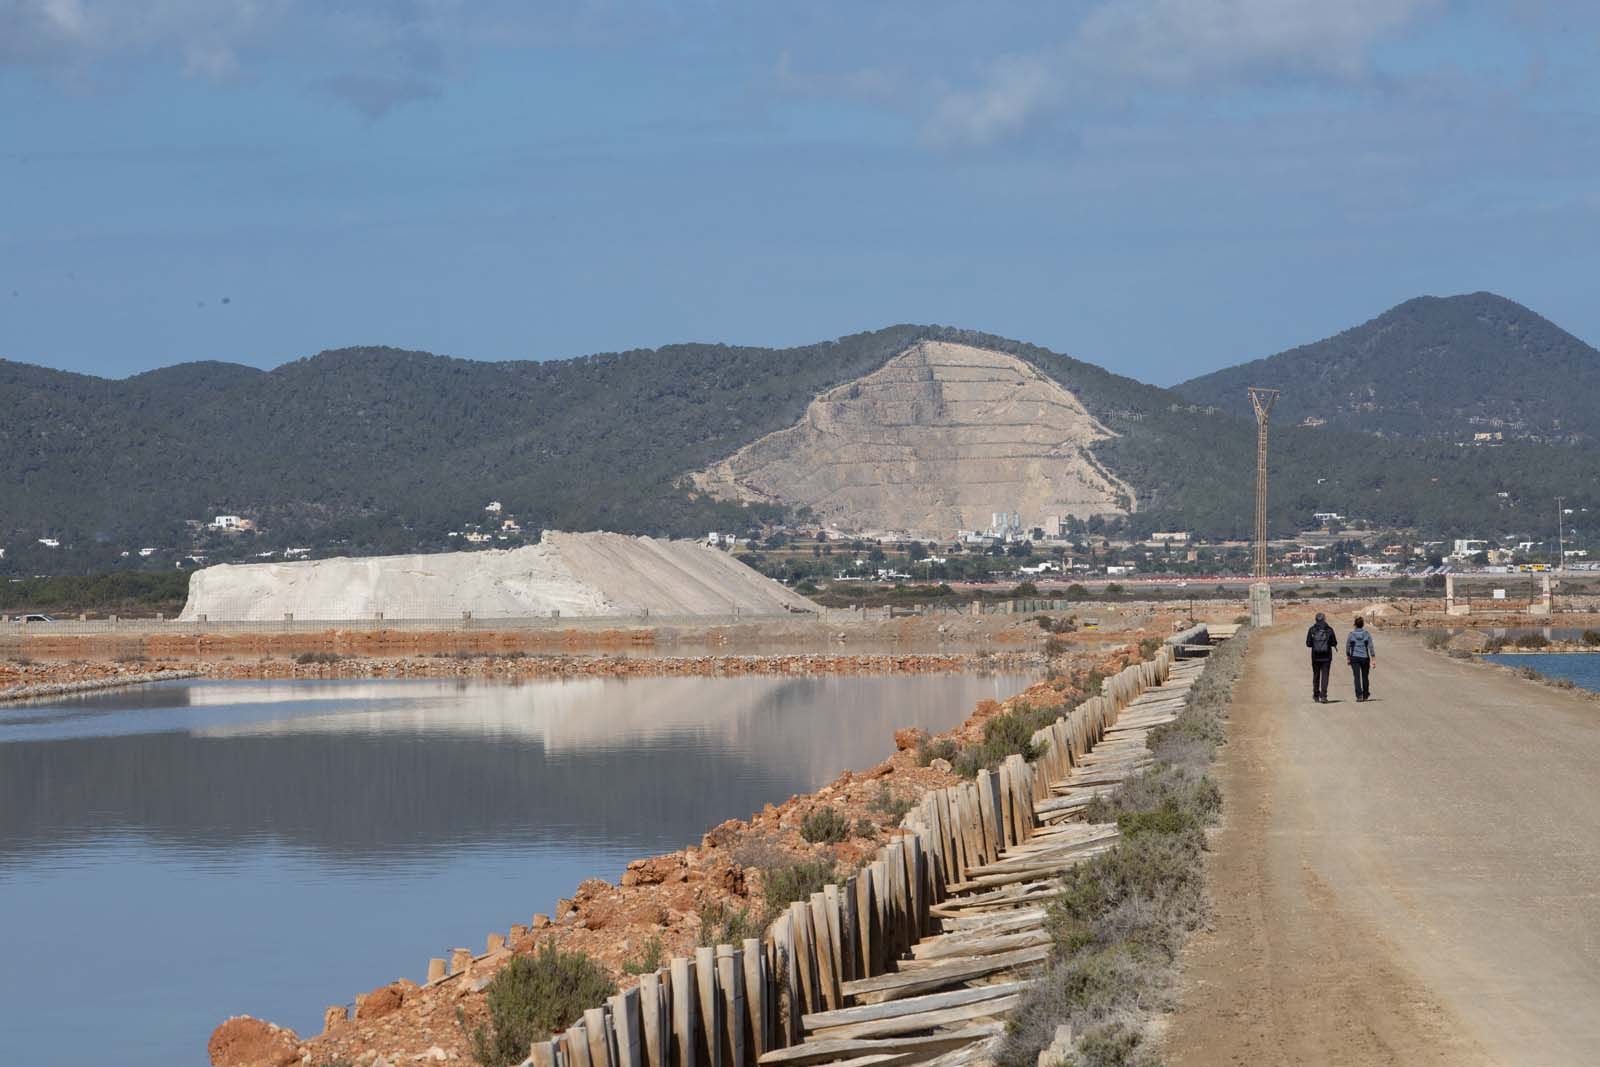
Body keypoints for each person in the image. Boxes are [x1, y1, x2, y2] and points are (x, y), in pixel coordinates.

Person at [1306, 612, 1337, 702]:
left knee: (1316, 675)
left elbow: (1308, 644)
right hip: (1327, 657)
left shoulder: (1312, 629)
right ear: (1324, 619)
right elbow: (1334, 642)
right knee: (1325, 676)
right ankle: (1323, 696)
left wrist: (1315, 644)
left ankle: (1316, 695)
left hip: (1315, 656)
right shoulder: (1329, 629)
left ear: (1316, 620)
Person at [1346, 616, 1375, 701]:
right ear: (1362, 624)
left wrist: (1348, 657)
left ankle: (1359, 695)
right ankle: (1365, 694)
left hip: (1354, 657)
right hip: (1365, 657)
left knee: (1357, 677)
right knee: (1365, 676)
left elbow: (1348, 646)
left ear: (1355, 624)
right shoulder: (1366, 634)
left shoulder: (1351, 634)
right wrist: (1373, 658)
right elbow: (1371, 646)